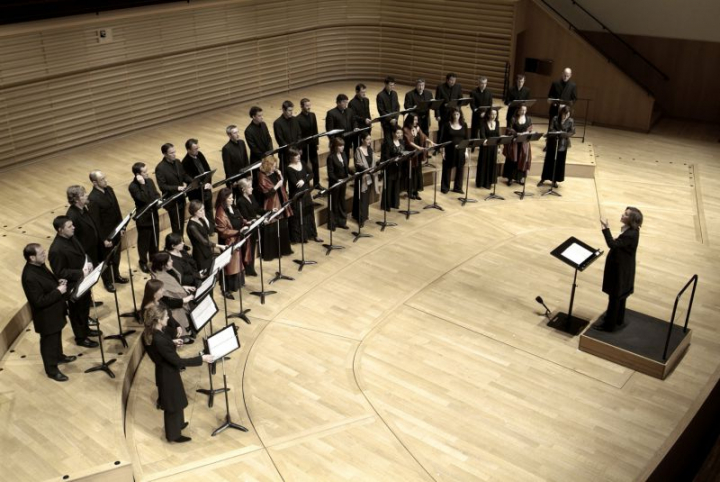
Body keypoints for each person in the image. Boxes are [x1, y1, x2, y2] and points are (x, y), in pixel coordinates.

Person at [142, 304, 213, 443]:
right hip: (167, 374)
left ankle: (179, 424)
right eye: (166, 316)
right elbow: (178, 361)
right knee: (172, 405)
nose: (168, 317)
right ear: (158, 320)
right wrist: (201, 359)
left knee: (177, 400)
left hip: (168, 371)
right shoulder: (158, 339)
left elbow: (162, 348)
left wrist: (173, 342)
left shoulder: (156, 332)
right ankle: (173, 435)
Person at [21, 243, 77, 381]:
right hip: (46, 316)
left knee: (56, 337)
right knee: (48, 343)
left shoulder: (39, 265)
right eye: (41, 254)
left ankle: (59, 356)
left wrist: (58, 283)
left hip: (54, 311)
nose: (44, 255)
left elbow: (47, 283)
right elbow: (39, 301)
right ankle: (51, 370)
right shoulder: (29, 277)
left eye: (43, 251)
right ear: (32, 257)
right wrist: (58, 291)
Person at [48, 216, 99, 348]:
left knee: (84, 309)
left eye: (72, 225)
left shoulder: (72, 237)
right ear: (60, 230)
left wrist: (88, 263)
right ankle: (81, 338)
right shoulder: (56, 250)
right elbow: (59, 272)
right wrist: (81, 273)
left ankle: (86, 330)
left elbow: (82, 254)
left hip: (83, 282)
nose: (73, 227)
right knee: (77, 313)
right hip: (73, 286)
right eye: (69, 226)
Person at [595, 207, 643, 332]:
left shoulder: (631, 234)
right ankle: (618, 319)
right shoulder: (632, 231)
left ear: (631, 219)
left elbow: (613, 244)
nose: (622, 215)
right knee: (621, 296)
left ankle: (609, 325)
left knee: (615, 297)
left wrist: (605, 228)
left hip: (620, 270)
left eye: (626, 214)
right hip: (624, 268)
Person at [88, 170, 128, 292]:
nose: (106, 181)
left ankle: (116, 275)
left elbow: (116, 209)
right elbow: (96, 222)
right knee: (107, 260)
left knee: (116, 256)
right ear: (95, 183)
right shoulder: (93, 199)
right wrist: (104, 239)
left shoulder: (109, 189)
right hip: (106, 236)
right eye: (102, 180)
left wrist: (122, 226)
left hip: (116, 230)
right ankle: (108, 281)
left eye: (105, 178)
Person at [65, 185, 108, 291]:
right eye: (83, 194)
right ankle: (88, 301)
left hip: (94, 247)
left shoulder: (83, 208)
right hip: (86, 252)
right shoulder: (72, 216)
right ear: (76, 199)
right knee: (87, 278)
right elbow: (73, 239)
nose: (87, 195)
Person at [150, 252, 195, 337]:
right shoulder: (159, 280)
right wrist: (183, 300)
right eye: (170, 260)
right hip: (171, 307)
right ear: (163, 265)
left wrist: (183, 287)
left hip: (176, 300)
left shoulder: (166, 271)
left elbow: (174, 284)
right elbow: (165, 302)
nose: (172, 261)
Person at [257, 156, 293, 260]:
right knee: (272, 227)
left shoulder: (274, 173)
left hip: (280, 201)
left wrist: (280, 175)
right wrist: (277, 185)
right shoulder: (261, 176)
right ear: (268, 166)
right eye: (273, 166)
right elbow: (267, 194)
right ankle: (272, 253)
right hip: (271, 204)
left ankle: (283, 250)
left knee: (282, 225)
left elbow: (282, 184)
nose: (275, 167)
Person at [214, 188, 247, 298]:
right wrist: (238, 231)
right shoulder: (220, 212)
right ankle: (226, 289)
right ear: (224, 199)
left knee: (237, 263)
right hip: (228, 242)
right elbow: (223, 231)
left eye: (232, 197)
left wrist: (246, 222)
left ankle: (236, 285)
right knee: (228, 266)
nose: (232, 199)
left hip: (237, 239)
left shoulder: (232, 207)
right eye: (230, 198)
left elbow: (239, 218)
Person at [129, 162, 160, 273]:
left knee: (155, 240)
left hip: (153, 215)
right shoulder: (133, 186)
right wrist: (142, 185)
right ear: (138, 174)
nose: (147, 173)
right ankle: (143, 262)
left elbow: (156, 194)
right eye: (144, 172)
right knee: (144, 243)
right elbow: (144, 199)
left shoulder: (150, 181)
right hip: (144, 218)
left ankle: (154, 259)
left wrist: (157, 200)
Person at [285, 148, 322, 243]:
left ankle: (313, 234)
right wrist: (304, 178)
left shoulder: (303, 163)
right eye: (296, 155)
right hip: (297, 196)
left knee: (309, 214)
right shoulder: (289, 169)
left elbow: (311, 174)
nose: (299, 156)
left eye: (299, 155)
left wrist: (304, 180)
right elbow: (295, 183)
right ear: (291, 157)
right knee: (298, 216)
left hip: (306, 193)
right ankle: (301, 237)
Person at [156, 143, 192, 236]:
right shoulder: (160, 168)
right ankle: (177, 244)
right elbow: (162, 186)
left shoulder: (178, 162)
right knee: (176, 224)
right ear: (165, 154)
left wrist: (193, 181)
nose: (174, 154)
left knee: (181, 221)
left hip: (181, 198)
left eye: (174, 152)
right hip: (171, 200)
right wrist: (177, 187)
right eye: (171, 153)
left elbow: (184, 175)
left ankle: (181, 242)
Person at [181, 138, 214, 231]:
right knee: (199, 213)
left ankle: (211, 228)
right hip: (197, 193)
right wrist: (202, 185)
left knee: (209, 210)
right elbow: (190, 179)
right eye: (195, 149)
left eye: (197, 148)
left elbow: (208, 169)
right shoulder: (185, 162)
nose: (197, 150)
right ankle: (203, 230)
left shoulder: (200, 155)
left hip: (206, 189)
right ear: (188, 150)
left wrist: (208, 183)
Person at [539, 106, 575, 187]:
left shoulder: (570, 121)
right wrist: (557, 133)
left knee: (559, 162)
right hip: (553, 142)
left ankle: (554, 180)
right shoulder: (555, 118)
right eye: (564, 114)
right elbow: (551, 129)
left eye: (568, 114)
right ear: (561, 113)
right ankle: (543, 178)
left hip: (563, 144)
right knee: (549, 161)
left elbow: (572, 131)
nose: (566, 116)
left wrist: (565, 134)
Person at [235, 178, 266, 276]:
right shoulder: (240, 201)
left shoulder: (251, 196)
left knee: (252, 248)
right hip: (247, 228)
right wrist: (257, 218)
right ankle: (248, 269)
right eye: (249, 187)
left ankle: (250, 268)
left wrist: (268, 211)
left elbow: (257, 208)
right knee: (248, 249)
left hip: (254, 225)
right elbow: (246, 216)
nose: (252, 189)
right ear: (243, 189)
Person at [186, 200, 223, 274]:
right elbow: (204, 241)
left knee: (210, 272)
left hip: (207, 250)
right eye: (200, 210)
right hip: (200, 254)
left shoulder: (201, 220)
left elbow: (210, 231)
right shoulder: (192, 226)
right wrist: (219, 246)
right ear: (194, 211)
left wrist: (205, 218)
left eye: (203, 209)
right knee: (205, 274)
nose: (203, 212)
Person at [439, 108, 469, 194]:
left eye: (458, 114)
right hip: (449, 150)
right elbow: (443, 139)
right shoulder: (446, 125)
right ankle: (445, 187)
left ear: (460, 115)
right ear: (451, 115)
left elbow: (466, 139)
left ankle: (458, 188)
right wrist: (443, 151)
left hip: (461, 150)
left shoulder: (464, 125)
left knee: (460, 169)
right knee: (447, 169)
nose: (456, 116)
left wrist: (466, 151)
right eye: (454, 114)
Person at [402, 113, 431, 200]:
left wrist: (431, 142)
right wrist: (419, 148)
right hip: (411, 155)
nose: (416, 121)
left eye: (417, 120)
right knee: (411, 173)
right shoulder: (405, 129)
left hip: (418, 155)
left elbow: (424, 137)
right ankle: (410, 191)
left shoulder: (417, 128)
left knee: (417, 172)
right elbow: (409, 141)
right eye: (415, 120)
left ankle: (416, 191)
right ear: (410, 120)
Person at [502, 104, 533, 186]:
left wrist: (526, 133)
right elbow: (509, 129)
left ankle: (520, 178)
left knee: (522, 159)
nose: (523, 112)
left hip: (523, 143)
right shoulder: (513, 119)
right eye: (522, 110)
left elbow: (530, 129)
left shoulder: (528, 119)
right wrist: (516, 134)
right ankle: (510, 178)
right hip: (514, 143)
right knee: (513, 159)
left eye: (525, 110)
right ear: (518, 110)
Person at [352, 131, 379, 225]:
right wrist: (367, 169)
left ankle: (365, 215)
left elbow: (374, 159)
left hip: (369, 176)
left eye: (370, 139)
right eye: (367, 139)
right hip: (362, 177)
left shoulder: (370, 149)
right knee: (361, 198)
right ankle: (360, 219)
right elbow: (358, 163)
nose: (369, 141)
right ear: (362, 140)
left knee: (366, 198)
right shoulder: (358, 150)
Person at [296, 98, 323, 191]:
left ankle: (316, 183)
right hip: (303, 146)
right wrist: (299, 147)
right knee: (304, 165)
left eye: (309, 105)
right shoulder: (298, 119)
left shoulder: (312, 115)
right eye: (307, 106)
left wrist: (317, 142)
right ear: (302, 106)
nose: (309, 107)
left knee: (315, 163)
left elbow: (315, 130)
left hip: (312, 144)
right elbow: (298, 135)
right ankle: (306, 183)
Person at [326, 137, 350, 228]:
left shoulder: (343, 154)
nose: (342, 147)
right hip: (335, 184)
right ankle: (333, 223)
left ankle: (342, 222)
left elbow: (346, 168)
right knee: (334, 203)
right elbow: (330, 173)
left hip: (343, 182)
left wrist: (353, 173)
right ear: (335, 146)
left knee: (342, 202)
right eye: (340, 146)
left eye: (343, 145)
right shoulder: (330, 157)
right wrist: (337, 180)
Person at [221, 124, 250, 201]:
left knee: (246, 196)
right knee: (237, 199)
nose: (237, 134)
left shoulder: (242, 143)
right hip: (235, 179)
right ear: (229, 135)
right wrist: (232, 181)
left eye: (237, 132)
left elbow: (246, 159)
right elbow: (227, 167)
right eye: (235, 133)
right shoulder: (226, 148)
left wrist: (248, 174)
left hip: (243, 176)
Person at [380, 126, 405, 210]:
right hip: (390, 167)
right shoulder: (388, 143)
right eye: (398, 133)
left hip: (399, 167)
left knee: (396, 184)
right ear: (393, 133)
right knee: (389, 185)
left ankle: (395, 203)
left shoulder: (402, 141)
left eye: (400, 133)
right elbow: (385, 156)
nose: (399, 134)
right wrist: (394, 159)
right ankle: (387, 205)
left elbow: (403, 152)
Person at [476, 108, 501, 189]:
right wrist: (486, 141)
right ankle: (481, 182)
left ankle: (489, 182)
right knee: (484, 164)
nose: (494, 116)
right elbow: (482, 134)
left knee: (491, 164)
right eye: (492, 114)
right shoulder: (482, 123)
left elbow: (498, 134)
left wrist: (499, 146)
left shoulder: (497, 123)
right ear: (488, 114)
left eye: (495, 114)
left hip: (494, 147)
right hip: (485, 146)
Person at [273, 100, 301, 172]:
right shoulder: (277, 123)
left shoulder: (295, 120)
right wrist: (290, 150)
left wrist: (297, 148)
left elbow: (299, 134)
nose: (291, 112)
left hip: (296, 152)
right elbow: (280, 139)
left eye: (292, 110)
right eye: (289, 110)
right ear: (283, 110)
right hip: (285, 154)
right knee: (284, 175)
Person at [435, 73, 463, 141]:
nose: (453, 82)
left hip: (454, 113)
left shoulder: (458, 87)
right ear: (447, 80)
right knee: (442, 130)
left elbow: (460, 100)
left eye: (454, 80)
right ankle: (439, 146)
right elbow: (437, 102)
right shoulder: (440, 87)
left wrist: (458, 108)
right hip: (443, 113)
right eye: (451, 80)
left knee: (452, 130)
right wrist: (437, 114)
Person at [325, 94, 354, 158]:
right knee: (337, 158)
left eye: (346, 102)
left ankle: (346, 168)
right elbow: (329, 129)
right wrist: (334, 142)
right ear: (338, 103)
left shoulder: (349, 111)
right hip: (337, 142)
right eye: (344, 102)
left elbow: (353, 121)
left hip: (347, 140)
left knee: (347, 156)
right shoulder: (331, 113)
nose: (346, 104)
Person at [349, 83, 372, 154]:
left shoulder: (366, 100)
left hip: (367, 127)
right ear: (357, 92)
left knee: (367, 146)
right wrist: (364, 120)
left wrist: (370, 123)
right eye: (362, 92)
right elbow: (353, 116)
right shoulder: (352, 103)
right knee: (358, 147)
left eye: (365, 92)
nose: (364, 94)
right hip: (358, 128)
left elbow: (367, 113)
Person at [377, 76, 400, 143]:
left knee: (395, 140)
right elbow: (381, 110)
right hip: (386, 122)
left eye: (393, 85)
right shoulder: (380, 95)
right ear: (386, 84)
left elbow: (397, 107)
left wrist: (395, 118)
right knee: (388, 141)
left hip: (395, 121)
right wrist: (390, 120)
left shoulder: (395, 94)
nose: (392, 87)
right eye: (390, 85)